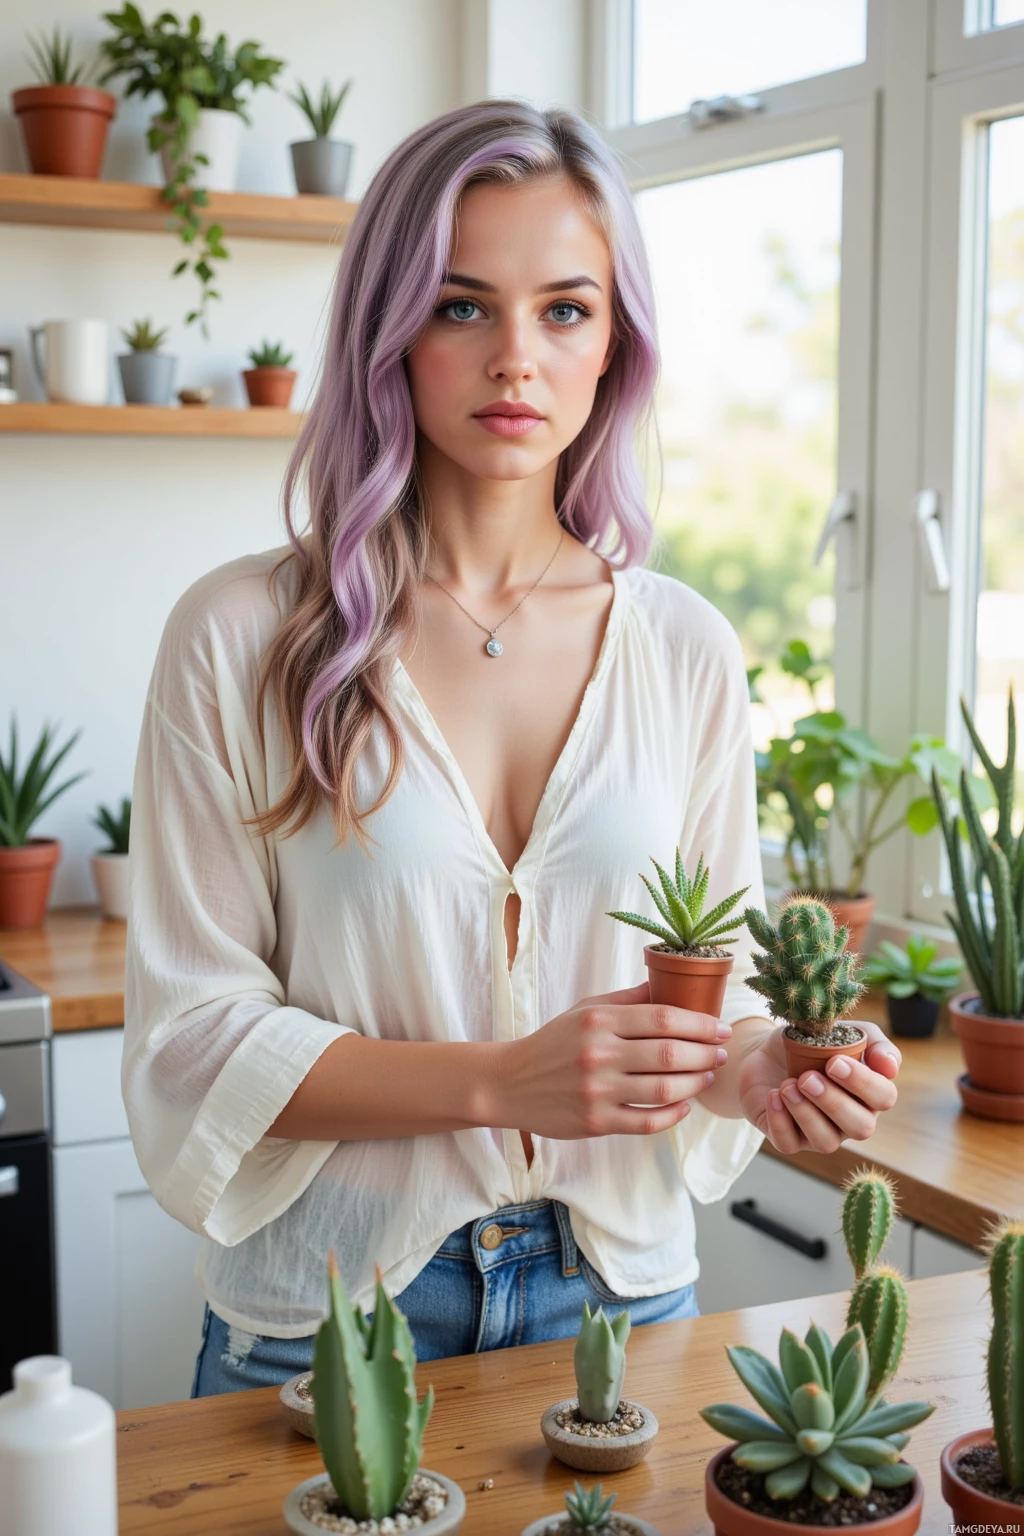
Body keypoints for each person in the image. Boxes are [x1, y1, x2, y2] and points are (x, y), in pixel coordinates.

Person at [123, 100, 901, 1398]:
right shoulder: (243, 636)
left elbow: (719, 984)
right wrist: (496, 1081)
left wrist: (763, 1068)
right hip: (327, 1321)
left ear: (617, 344)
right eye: (462, 304)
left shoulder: (685, 649)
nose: (516, 362)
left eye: (566, 309)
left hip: (629, 1309)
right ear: (392, 329)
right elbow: (193, 1040)